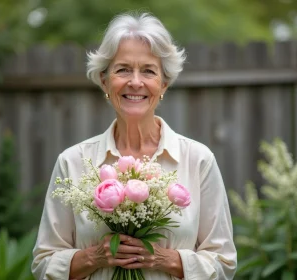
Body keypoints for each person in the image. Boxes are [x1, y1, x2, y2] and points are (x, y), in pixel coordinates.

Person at [32, 12, 237, 280]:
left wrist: (166, 259)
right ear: (104, 80)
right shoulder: (72, 162)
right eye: (123, 69)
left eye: (148, 71)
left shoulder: (198, 160)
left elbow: (223, 264)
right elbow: (43, 264)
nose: (136, 82)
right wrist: (95, 257)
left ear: (164, 84)